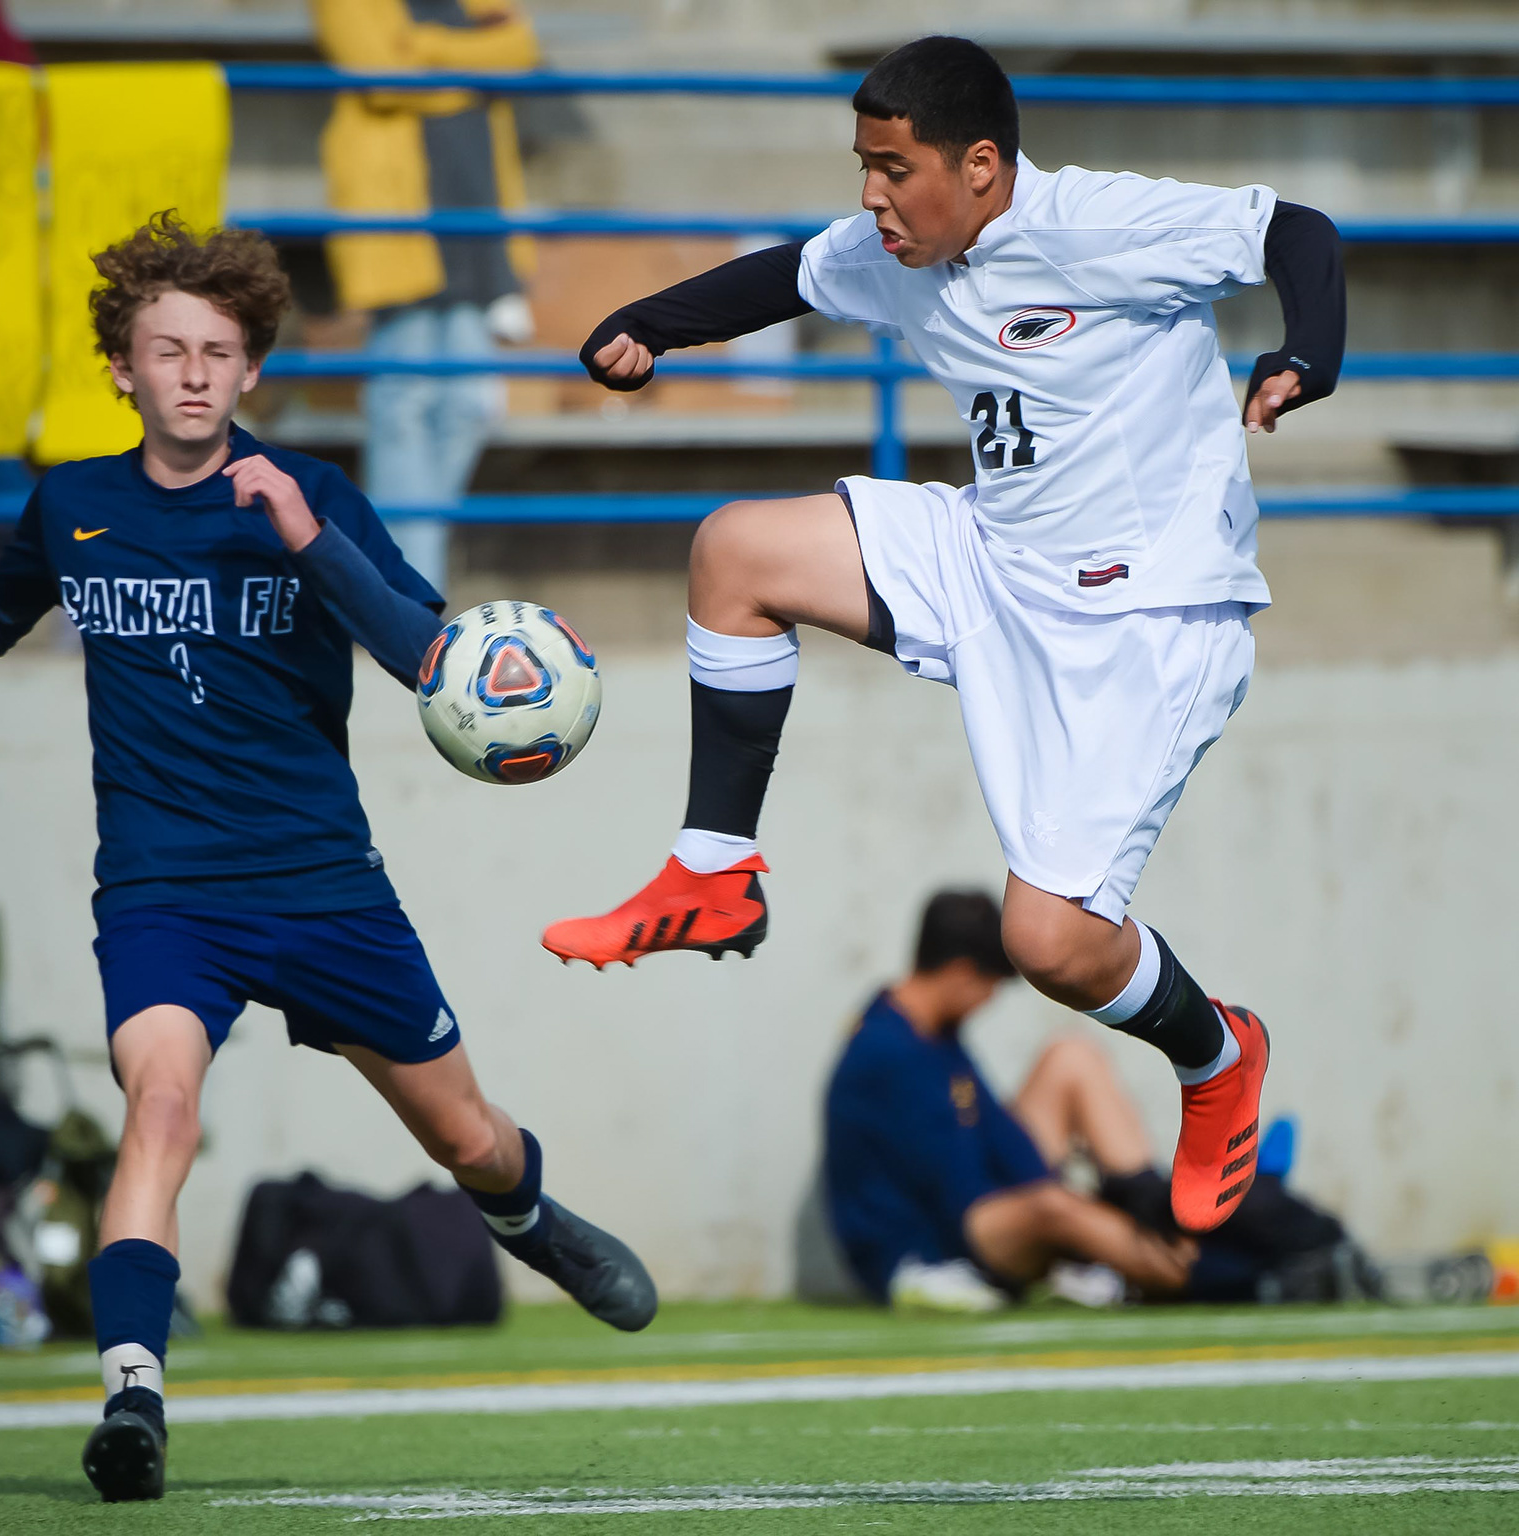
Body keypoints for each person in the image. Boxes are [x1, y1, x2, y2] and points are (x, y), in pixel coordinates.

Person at [0, 212, 655, 1503]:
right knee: (160, 1106)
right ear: (122, 366)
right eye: (166, 350)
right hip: (167, 891)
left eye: (217, 352)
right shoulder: (77, 502)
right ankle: (134, 1400)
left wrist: (302, 534)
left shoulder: (311, 493)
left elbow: (426, 659)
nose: (191, 374)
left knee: (466, 1137)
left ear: (251, 371)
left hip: (325, 883)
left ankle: (527, 1219)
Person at [541, 36, 1347, 1234]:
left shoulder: (1098, 224)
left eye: (892, 168)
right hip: (995, 559)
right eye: (862, 166)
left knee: (1053, 946)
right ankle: (713, 876)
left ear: (979, 165)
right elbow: (786, 278)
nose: (871, 196)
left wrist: (1304, 355)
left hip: (1148, 614)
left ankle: (1218, 1057)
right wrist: (649, 327)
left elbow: (1300, 232)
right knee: (735, 554)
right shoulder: (898, 244)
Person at [825, 890, 1195, 1310]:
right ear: (963, 973)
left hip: (967, 1204)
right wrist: (1072, 1217)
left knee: (1070, 1056)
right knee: (1055, 1209)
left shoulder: (930, 1032)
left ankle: (1151, 1204)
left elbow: (995, 1131)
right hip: (931, 1250)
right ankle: (1197, 1266)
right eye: (990, 985)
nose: (989, 1000)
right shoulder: (889, 1052)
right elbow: (956, 1190)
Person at [311, 0, 542, 587]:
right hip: (398, 219)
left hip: (476, 218)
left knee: (466, 407)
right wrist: (470, 62)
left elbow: (518, 54)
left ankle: (400, 577)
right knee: (402, 406)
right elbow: (382, 78)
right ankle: (409, 593)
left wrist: (425, 48)